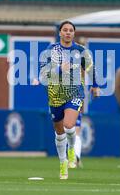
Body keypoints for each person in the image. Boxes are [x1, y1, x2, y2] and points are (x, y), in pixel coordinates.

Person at [40, 20, 99, 179]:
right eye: (65, 30)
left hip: (75, 93)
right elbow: (43, 75)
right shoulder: (50, 50)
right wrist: (59, 69)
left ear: (74, 33)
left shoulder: (80, 50)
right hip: (55, 96)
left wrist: (95, 85)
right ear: (60, 33)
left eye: (71, 30)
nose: (68, 32)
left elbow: (90, 68)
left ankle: (72, 148)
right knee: (59, 133)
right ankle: (62, 162)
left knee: (69, 124)